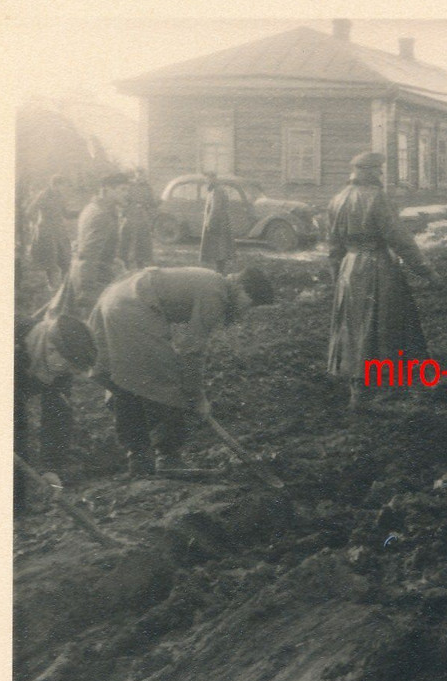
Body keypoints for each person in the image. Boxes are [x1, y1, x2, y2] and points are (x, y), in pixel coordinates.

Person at [87, 265, 274, 477]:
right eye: (250, 304)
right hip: (132, 306)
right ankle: (168, 457)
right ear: (241, 288)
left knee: (125, 382)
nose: (246, 311)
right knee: (168, 381)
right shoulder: (217, 293)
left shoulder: (211, 281)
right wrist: (197, 396)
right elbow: (192, 351)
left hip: (114, 299)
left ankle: (139, 461)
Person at [325, 151, 439, 410]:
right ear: (369, 172)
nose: (380, 176)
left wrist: (338, 280)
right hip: (376, 267)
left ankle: (359, 391)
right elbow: (400, 239)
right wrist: (427, 272)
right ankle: (391, 389)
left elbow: (333, 247)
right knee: (388, 326)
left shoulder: (337, 200)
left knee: (353, 330)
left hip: (347, 270)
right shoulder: (377, 198)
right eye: (378, 171)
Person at [14, 313, 98, 512]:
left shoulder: (57, 360)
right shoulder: (12, 348)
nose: (70, 373)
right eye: (68, 366)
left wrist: (51, 468)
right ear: (51, 349)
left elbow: (56, 417)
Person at [50, 172, 130, 318]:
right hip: (94, 278)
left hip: (88, 273)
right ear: (107, 190)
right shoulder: (101, 215)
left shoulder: (94, 207)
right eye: (122, 190)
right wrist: (87, 290)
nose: (127, 194)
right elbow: (88, 255)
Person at [26, 175, 76, 289]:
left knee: (65, 260)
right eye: (64, 186)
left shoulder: (60, 196)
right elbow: (29, 211)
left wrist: (81, 212)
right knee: (50, 262)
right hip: (46, 232)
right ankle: (52, 289)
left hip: (59, 231)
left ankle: (65, 289)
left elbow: (66, 214)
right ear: (55, 185)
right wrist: (38, 225)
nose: (65, 189)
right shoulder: (43, 195)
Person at [119, 168, 157, 270]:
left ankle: (140, 263)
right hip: (130, 215)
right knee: (126, 239)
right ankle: (125, 263)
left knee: (142, 240)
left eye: (142, 175)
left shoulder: (147, 187)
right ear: (135, 175)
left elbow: (152, 202)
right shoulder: (130, 186)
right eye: (138, 175)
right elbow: (123, 200)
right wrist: (125, 212)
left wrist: (148, 211)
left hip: (142, 216)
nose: (140, 177)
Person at [199, 172, 233, 274]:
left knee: (219, 248)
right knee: (218, 248)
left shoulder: (217, 191)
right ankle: (219, 270)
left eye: (208, 179)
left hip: (218, 223)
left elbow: (215, 209)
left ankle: (220, 272)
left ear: (214, 179)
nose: (207, 181)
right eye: (206, 179)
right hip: (219, 222)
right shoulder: (215, 190)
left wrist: (210, 222)